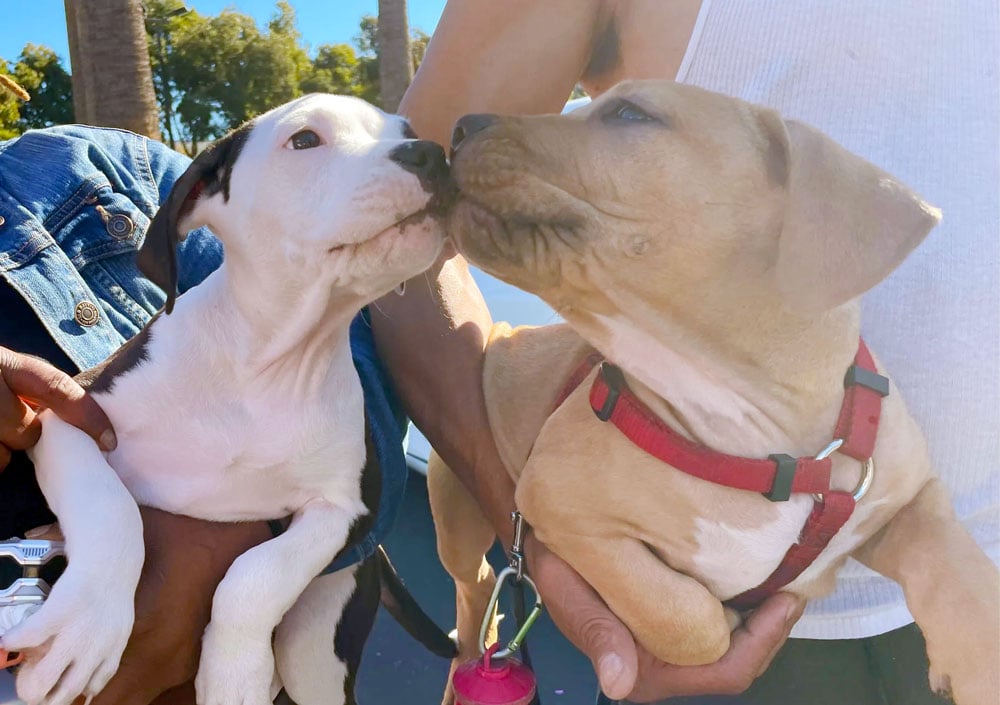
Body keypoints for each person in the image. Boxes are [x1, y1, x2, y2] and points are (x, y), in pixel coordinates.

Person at [380, 1, 998, 704]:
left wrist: (940, 562)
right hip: (731, 659)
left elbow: (911, 499)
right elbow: (395, 220)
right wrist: (533, 531)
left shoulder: (887, 449)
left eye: (626, 116)